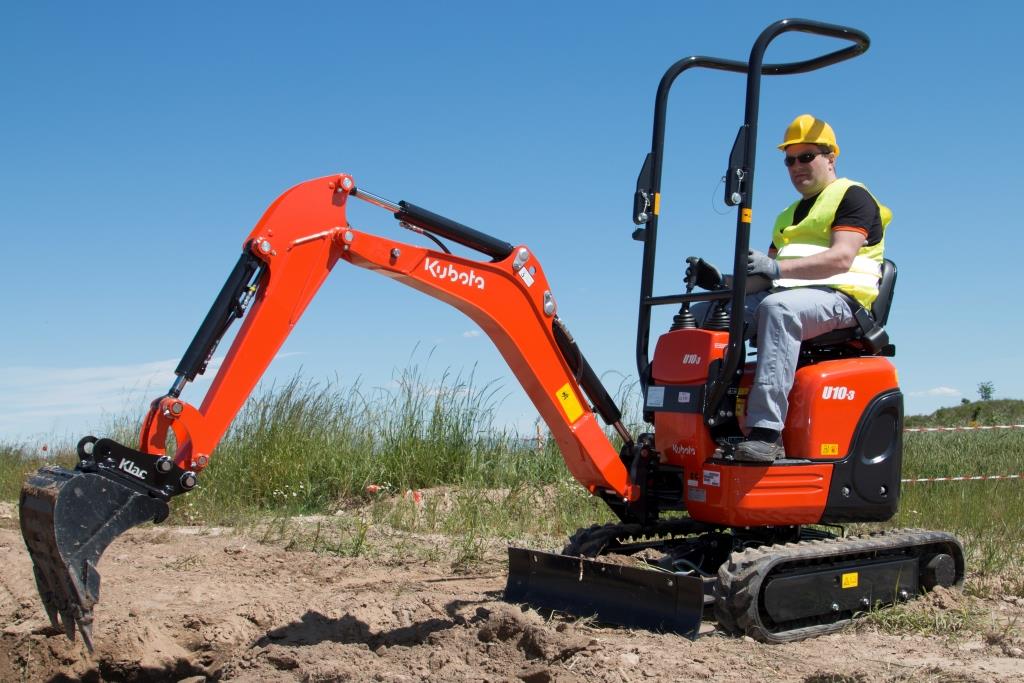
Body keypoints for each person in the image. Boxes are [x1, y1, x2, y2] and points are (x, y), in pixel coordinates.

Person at [733, 114, 892, 462]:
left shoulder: (852, 196)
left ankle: (766, 433)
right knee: (707, 313)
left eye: (806, 156)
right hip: (791, 296)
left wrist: (775, 268)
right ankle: (693, 419)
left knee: (778, 310)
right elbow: (767, 277)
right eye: (789, 160)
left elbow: (841, 258)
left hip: (842, 300)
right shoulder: (787, 215)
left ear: (830, 157)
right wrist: (724, 283)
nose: (796, 166)